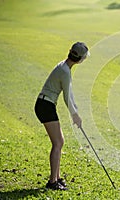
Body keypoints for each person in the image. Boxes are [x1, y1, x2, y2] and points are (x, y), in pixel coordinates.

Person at [34, 42, 89, 190]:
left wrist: (75, 112)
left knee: (59, 142)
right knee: (58, 143)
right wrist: (75, 115)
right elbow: (67, 97)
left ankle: (57, 178)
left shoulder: (65, 67)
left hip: (45, 104)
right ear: (80, 59)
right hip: (45, 105)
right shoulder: (65, 71)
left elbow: (69, 94)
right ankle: (52, 182)